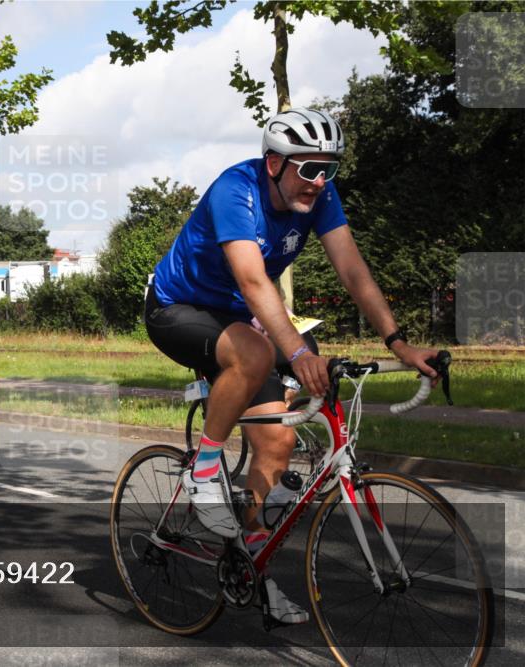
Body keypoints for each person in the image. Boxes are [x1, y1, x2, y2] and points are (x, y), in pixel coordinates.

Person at [145, 108, 440, 624]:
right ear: (275, 163)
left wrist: (399, 344)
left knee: (279, 441)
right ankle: (205, 469)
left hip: (240, 317)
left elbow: (352, 270)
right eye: (308, 168)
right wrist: (299, 354)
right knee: (261, 353)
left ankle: (252, 568)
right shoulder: (235, 190)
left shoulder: (319, 196)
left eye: (329, 168)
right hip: (178, 308)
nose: (320, 180)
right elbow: (255, 283)